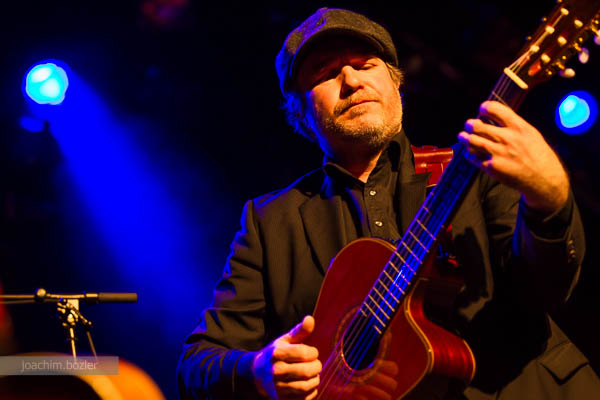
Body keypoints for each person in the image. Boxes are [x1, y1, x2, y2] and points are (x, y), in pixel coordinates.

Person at [177, 8, 600, 400]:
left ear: (396, 83)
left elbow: (545, 290)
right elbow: (196, 365)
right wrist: (256, 370)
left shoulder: (477, 166)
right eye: (326, 73)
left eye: (365, 65)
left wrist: (549, 200)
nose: (351, 80)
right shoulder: (270, 223)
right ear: (300, 112)